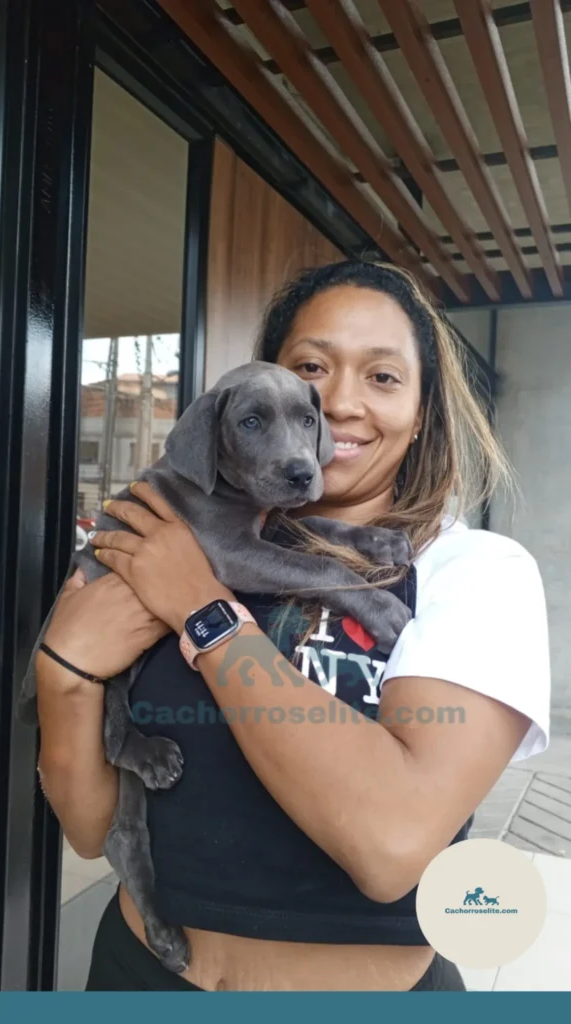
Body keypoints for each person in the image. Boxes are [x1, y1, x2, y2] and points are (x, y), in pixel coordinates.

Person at [36, 261, 550, 992]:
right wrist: (64, 671)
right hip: (138, 973)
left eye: (383, 377)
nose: (338, 403)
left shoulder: (472, 570)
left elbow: (389, 845)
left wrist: (204, 612)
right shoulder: (162, 545)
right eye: (311, 366)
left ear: (425, 409)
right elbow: (89, 830)